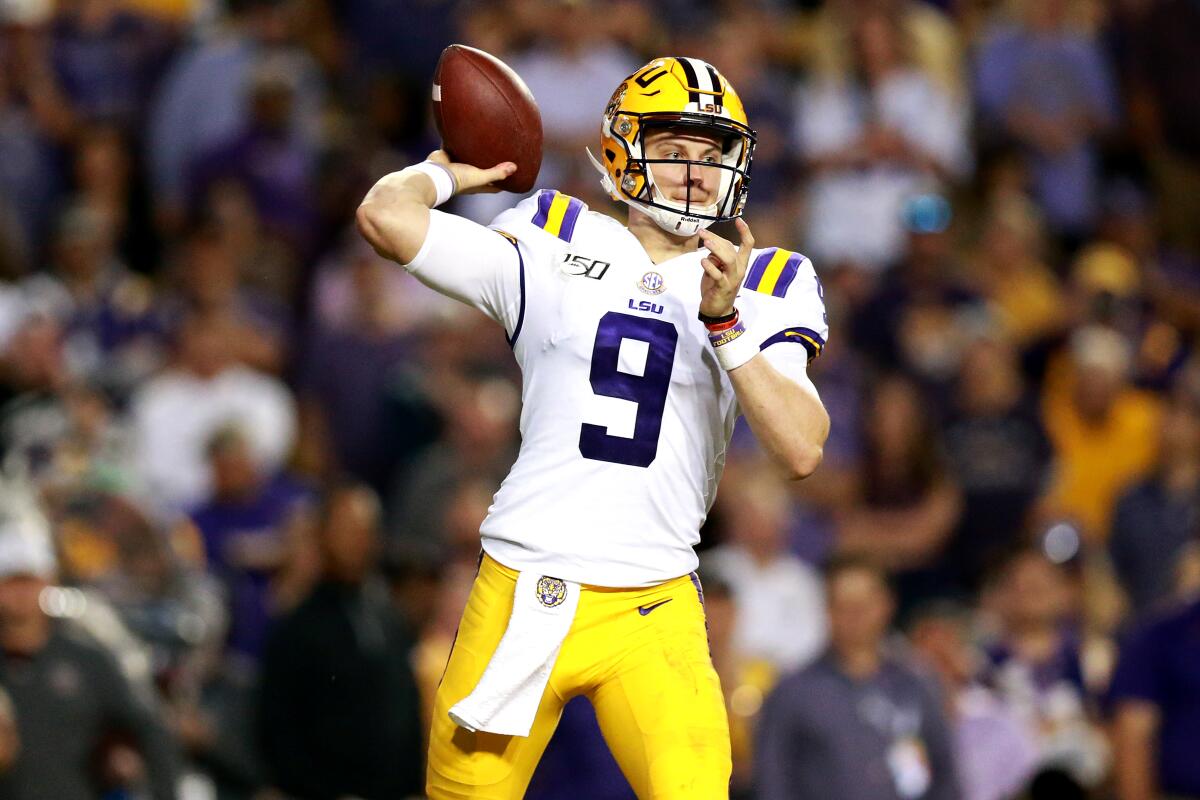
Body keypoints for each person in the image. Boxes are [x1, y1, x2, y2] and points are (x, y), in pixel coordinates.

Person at [357, 56, 830, 798]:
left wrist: (726, 324)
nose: (697, 172)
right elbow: (385, 217)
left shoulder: (767, 280)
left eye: (713, 154)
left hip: (654, 598)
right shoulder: (554, 233)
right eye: (676, 149)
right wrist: (447, 172)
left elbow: (802, 446)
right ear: (623, 150)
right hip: (524, 580)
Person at [755, 557, 961, 800]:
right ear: (827, 610)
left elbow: (945, 777)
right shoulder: (792, 692)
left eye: (864, 605)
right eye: (844, 606)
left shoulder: (917, 684)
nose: (855, 616)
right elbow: (774, 783)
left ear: (887, 605)